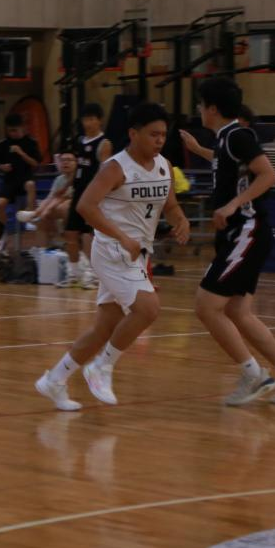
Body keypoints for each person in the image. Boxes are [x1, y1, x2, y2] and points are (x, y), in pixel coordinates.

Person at [35, 102, 190, 411]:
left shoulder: (164, 166)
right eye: (153, 134)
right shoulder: (115, 168)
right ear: (133, 134)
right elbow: (85, 206)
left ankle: (54, 379)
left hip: (137, 252)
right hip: (112, 250)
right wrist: (121, 236)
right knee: (148, 309)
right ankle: (102, 367)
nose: (160, 140)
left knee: (105, 328)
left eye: (163, 135)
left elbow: (170, 205)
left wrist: (180, 220)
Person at [193, 77, 275, 406]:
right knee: (237, 310)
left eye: (201, 105)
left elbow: (268, 173)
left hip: (246, 231)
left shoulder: (238, 135)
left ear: (212, 108)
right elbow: (227, 164)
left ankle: (253, 374)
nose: (199, 110)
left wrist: (233, 204)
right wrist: (198, 150)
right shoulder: (226, 139)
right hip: (240, 234)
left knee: (206, 306)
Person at [62, 104, 112, 288]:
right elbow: (77, 168)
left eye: (92, 119)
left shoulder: (104, 143)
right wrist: (67, 186)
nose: (88, 123)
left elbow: (104, 172)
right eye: (85, 119)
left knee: (87, 235)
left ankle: (93, 274)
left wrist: (99, 195)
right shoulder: (79, 141)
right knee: (70, 232)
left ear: (100, 121)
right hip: (77, 192)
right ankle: (74, 273)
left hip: (92, 196)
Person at [18, 151, 77, 246]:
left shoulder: (80, 178)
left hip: (73, 210)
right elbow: (51, 197)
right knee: (42, 218)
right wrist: (44, 206)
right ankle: (42, 251)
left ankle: (35, 215)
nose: (65, 162)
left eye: (69, 160)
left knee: (61, 207)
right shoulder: (59, 179)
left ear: (76, 163)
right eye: (63, 160)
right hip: (56, 208)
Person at [0, 112, 40, 220]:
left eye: (15, 130)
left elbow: (35, 163)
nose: (12, 133)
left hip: (25, 177)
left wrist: (22, 153)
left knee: (30, 184)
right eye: (10, 131)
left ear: (22, 127)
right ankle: (2, 227)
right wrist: (2, 166)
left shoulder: (31, 142)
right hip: (10, 181)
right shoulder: (3, 144)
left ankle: (30, 216)